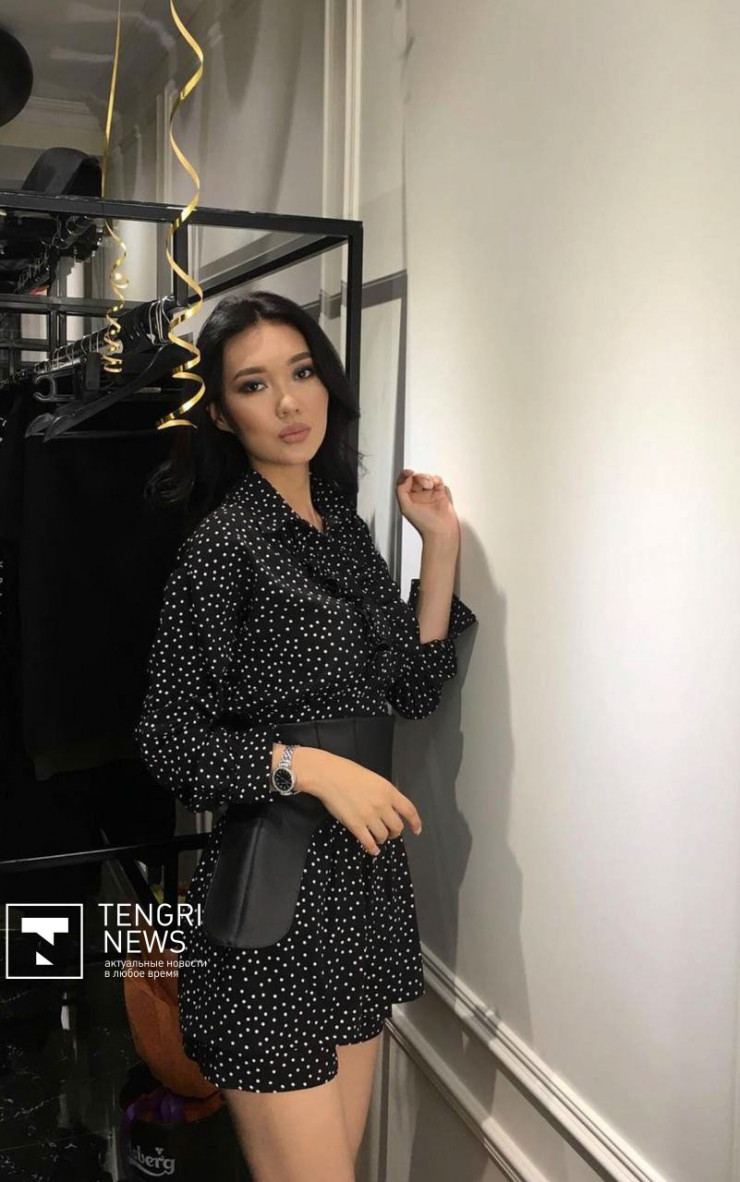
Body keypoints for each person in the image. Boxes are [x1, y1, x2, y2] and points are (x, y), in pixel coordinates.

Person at [134, 291, 477, 1181]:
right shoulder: (223, 548)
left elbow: (410, 688)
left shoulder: (343, 530)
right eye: (254, 385)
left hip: (361, 899)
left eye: (302, 372)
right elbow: (168, 741)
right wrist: (307, 766)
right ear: (220, 412)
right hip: (270, 911)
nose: (289, 402)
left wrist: (439, 547)